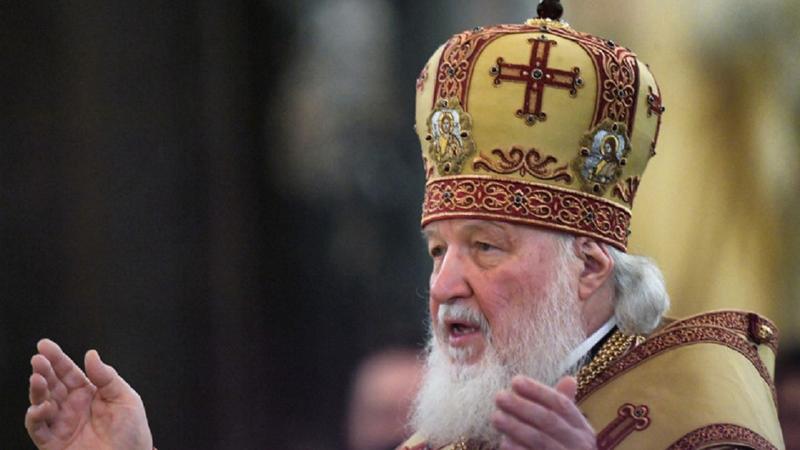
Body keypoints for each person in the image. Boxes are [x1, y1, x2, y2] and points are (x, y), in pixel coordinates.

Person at [25, 1, 785, 449]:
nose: (445, 284)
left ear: (588, 267)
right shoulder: (453, 431)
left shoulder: (708, 404)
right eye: (437, 250)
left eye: (484, 247)